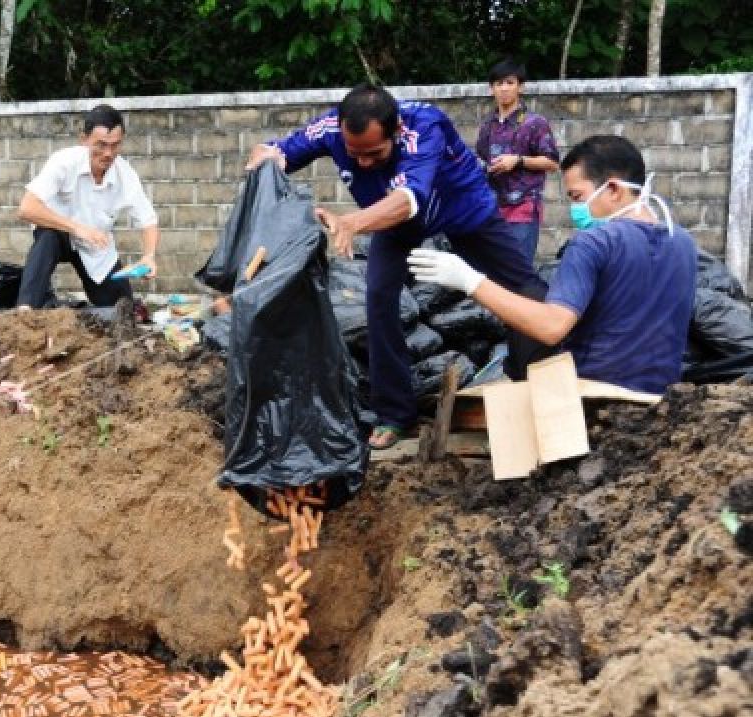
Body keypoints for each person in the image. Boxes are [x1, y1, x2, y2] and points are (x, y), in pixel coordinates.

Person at [248, 84, 547, 449]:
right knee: (378, 298)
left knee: (524, 290)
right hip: (391, 222)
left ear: (395, 131)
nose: (362, 163)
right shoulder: (329, 126)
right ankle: (394, 414)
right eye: (353, 154)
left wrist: (352, 222)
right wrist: (267, 158)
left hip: (463, 211)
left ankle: (537, 383)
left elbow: (408, 199)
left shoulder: (424, 126)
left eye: (374, 153)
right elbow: (280, 153)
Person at [408, 135, 696, 395]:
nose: (575, 209)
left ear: (613, 190)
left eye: (577, 197)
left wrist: (470, 281)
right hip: (662, 399)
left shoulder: (594, 242)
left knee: (529, 311)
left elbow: (551, 328)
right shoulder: (683, 242)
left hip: (595, 398)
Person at [15, 104, 159, 310]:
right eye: (101, 145)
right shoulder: (64, 161)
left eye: (115, 145)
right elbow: (27, 208)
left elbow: (148, 220)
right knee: (46, 238)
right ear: (84, 139)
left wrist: (149, 256)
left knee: (122, 309)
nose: (108, 154)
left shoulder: (125, 173)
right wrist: (77, 228)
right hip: (60, 233)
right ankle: (25, 309)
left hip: (96, 246)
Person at [475, 59, 560, 264]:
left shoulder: (534, 123)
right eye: (498, 83)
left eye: (509, 82)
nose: (504, 88)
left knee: (518, 270)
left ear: (520, 86)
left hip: (523, 207)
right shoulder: (488, 125)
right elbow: (481, 160)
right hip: (492, 209)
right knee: (493, 271)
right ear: (491, 89)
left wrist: (519, 161)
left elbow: (552, 163)